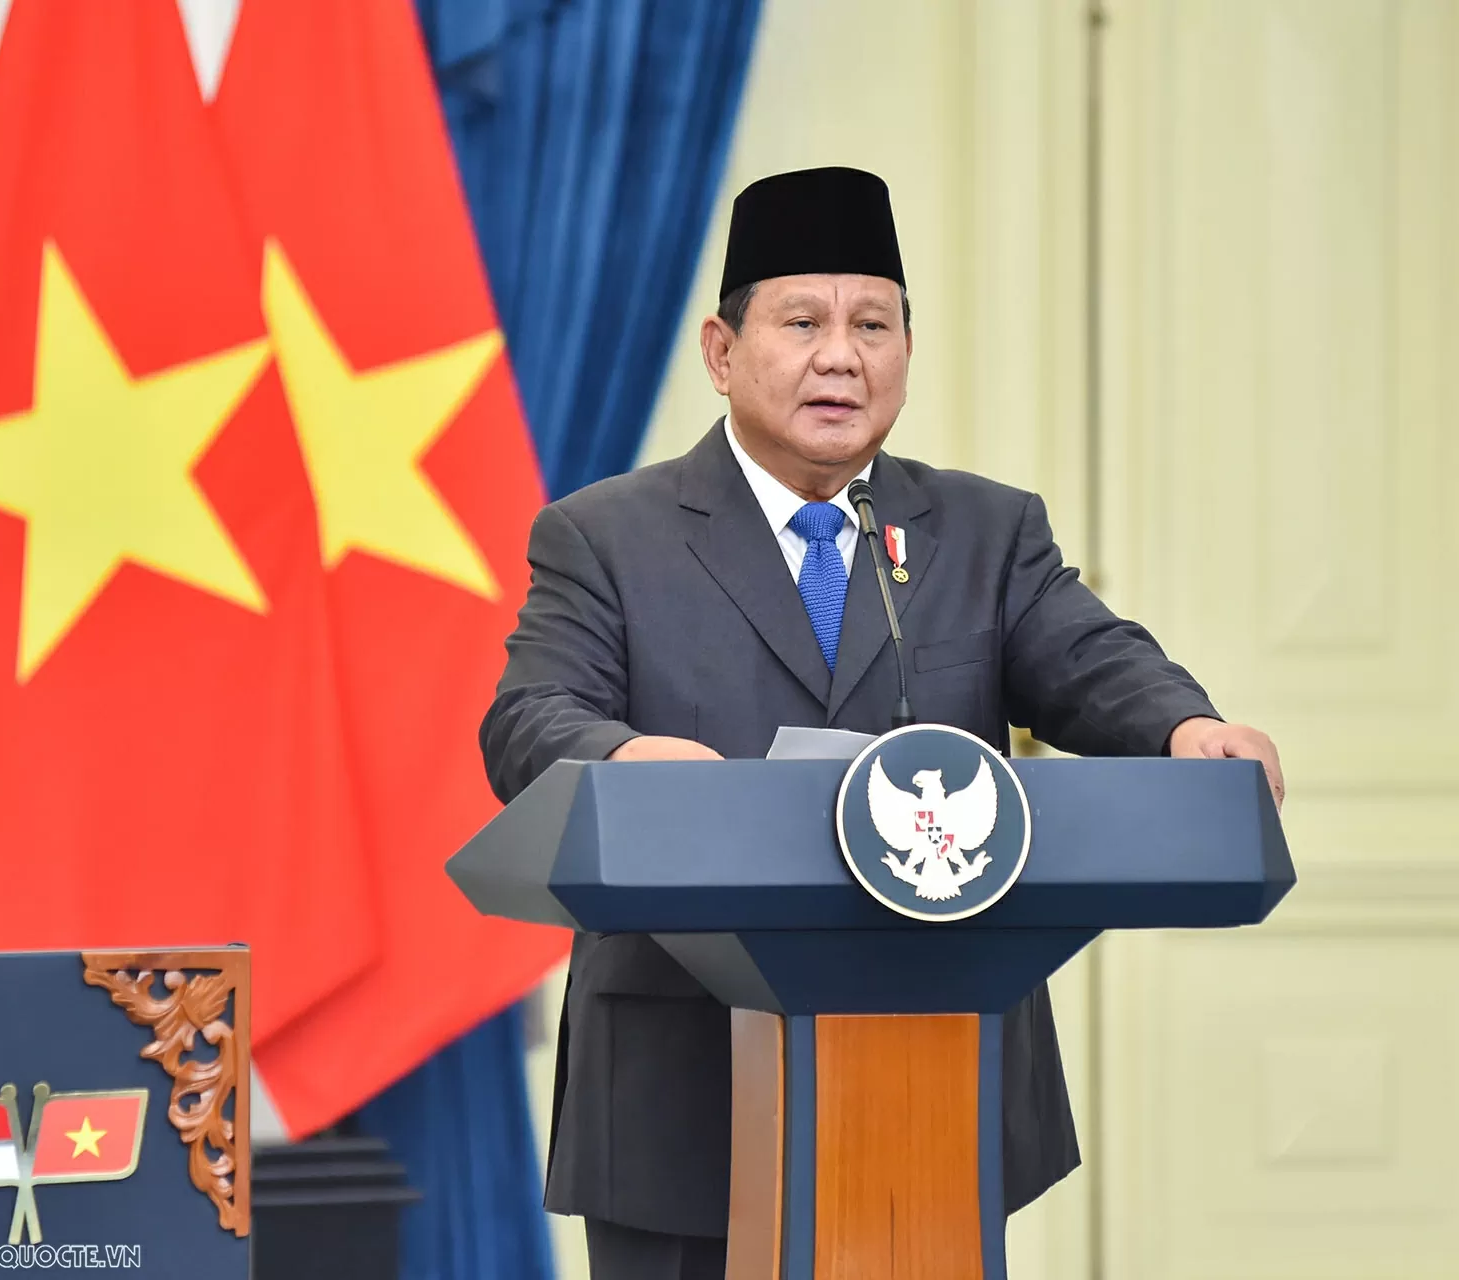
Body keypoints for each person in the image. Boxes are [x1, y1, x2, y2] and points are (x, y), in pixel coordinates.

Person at [481, 165, 1283, 1280]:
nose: (841, 355)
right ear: (722, 352)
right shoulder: (606, 536)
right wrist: (624, 756)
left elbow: (1090, 656)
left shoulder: (984, 531)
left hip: (932, 1078)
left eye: (873, 323)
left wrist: (1185, 730)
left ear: (908, 346)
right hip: (679, 1089)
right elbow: (528, 717)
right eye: (802, 321)